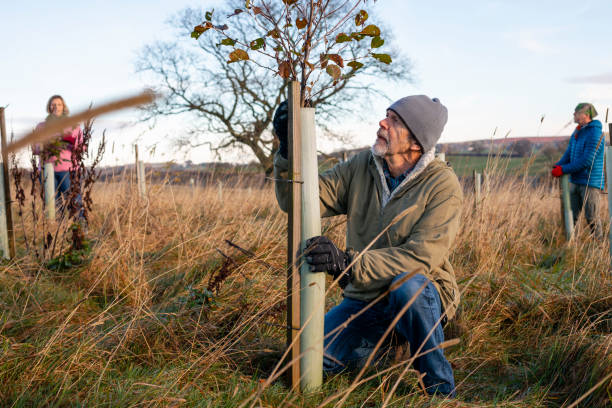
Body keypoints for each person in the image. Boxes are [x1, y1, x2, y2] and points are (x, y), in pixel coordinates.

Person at [272, 96, 463, 396]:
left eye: (395, 121)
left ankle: (441, 391)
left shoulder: (442, 185)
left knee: (407, 288)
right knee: (299, 360)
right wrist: (287, 149)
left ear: (416, 142)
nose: (382, 123)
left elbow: (420, 257)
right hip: (365, 299)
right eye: (386, 115)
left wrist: (347, 265)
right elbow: (297, 201)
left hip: (421, 295)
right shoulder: (363, 165)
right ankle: (385, 350)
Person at [552, 103, 604, 239]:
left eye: (576, 113)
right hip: (575, 180)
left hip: (590, 182)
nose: (574, 115)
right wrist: (557, 166)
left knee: (592, 217)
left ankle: (599, 247)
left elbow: (587, 160)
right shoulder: (578, 131)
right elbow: (569, 153)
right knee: (570, 215)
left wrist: (564, 169)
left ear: (585, 115)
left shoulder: (595, 132)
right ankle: (569, 246)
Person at [33, 95, 85, 216]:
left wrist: (71, 142)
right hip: (47, 170)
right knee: (53, 205)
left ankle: (80, 229)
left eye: (59, 104)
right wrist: (45, 144)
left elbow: (82, 146)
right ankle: (58, 230)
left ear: (64, 107)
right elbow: (35, 149)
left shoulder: (73, 126)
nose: (56, 106)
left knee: (74, 202)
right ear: (49, 107)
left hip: (68, 169)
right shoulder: (41, 127)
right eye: (53, 104)